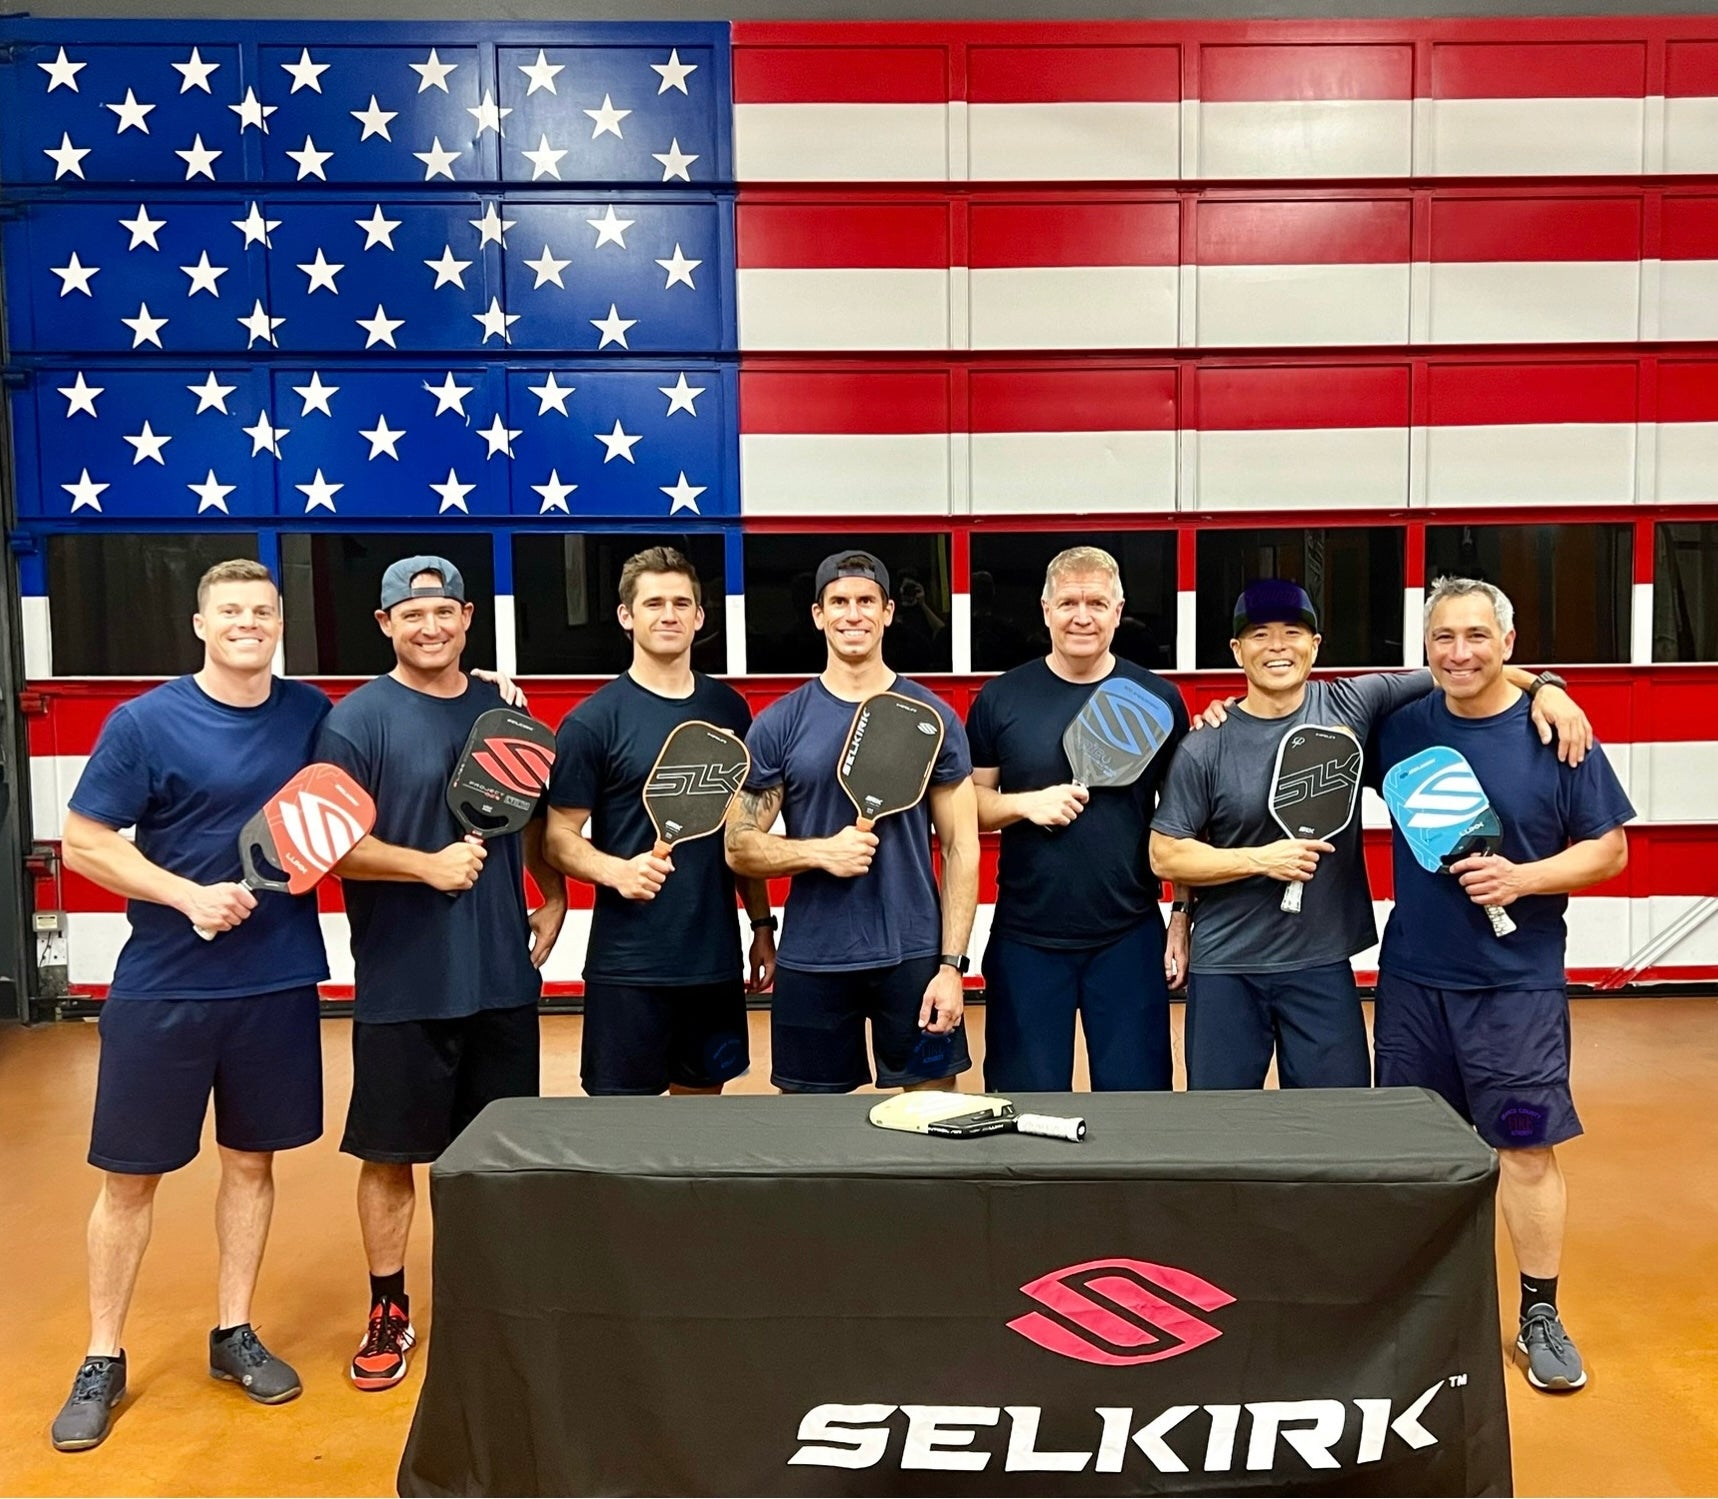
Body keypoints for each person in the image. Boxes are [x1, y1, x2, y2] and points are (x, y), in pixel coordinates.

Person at [51, 560, 330, 1451]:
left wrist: (481, 691)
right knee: (129, 1178)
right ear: (201, 625)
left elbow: (383, 766)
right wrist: (186, 894)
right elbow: (87, 842)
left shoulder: (312, 715)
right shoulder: (144, 722)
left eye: (263, 611)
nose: (248, 622)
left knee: (251, 1164)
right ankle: (101, 1355)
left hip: (277, 979)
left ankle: (234, 1332)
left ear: (279, 624)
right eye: (231, 611)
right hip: (166, 983)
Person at [1151, 579, 1590, 1092]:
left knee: (1342, 1133)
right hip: (1226, 966)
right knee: (1221, 1129)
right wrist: (1260, 861)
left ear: (1315, 646)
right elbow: (1167, 854)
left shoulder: (1351, 703)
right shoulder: (1206, 744)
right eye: (1259, 634)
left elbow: (1459, 670)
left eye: (1292, 632)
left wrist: (1544, 687)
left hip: (1322, 964)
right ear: (1236, 650)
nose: (1276, 646)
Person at [1375, 576, 1632, 1394]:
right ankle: (1429, 1310)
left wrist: (1523, 878)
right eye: (1444, 636)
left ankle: (1539, 1313)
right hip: (1414, 982)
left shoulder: (1557, 736)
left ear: (1509, 644)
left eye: (1478, 635)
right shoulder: (1400, 727)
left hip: (1514, 991)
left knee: (1523, 1149)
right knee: (1422, 1157)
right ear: (1425, 647)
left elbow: (1608, 851)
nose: (1460, 651)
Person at [315, 556, 566, 1392]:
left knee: (493, 1154)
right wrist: (424, 866)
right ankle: (389, 1306)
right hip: (403, 978)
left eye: (445, 611)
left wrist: (552, 891)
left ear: (466, 619)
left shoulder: (503, 708)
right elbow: (332, 847)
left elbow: (524, 808)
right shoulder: (356, 722)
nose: (430, 626)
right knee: (392, 1156)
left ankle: (490, 1300)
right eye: (411, 613)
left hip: (500, 973)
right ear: (386, 624)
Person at [725, 550, 978, 1094]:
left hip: (912, 954)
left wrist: (951, 965)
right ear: (818, 614)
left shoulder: (932, 717)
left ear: (888, 612)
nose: (852, 614)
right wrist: (820, 852)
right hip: (814, 957)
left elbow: (961, 848)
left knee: (931, 1118)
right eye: (838, 602)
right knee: (812, 1135)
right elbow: (739, 845)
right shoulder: (780, 723)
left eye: (866, 601)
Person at [545, 547, 776, 1096]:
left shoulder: (729, 710)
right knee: (625, 1136)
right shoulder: (592, 721)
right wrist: (615, 871)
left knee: (697, 1127)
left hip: (711, 960)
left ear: (699, 616)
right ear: (627, 616)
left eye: (681, 603)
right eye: (653, 603)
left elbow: (738, 833)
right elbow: (557, 836)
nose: (667, 615)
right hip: (628, 967)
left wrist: (762, 924)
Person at [967, 545, 1190, 1091]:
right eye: (1068, 602)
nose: (1082, 616)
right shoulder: (1000, 699)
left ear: (1119, 610)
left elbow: (1183, 821)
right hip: (1026, 939)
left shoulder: (1158, 699)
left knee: (1139, 1107)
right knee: (1022, 1108)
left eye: (1096, 602)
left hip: (1128, 935)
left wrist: (1181, 915)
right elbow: (968, 807)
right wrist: (1025, 803)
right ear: (1045, 609)